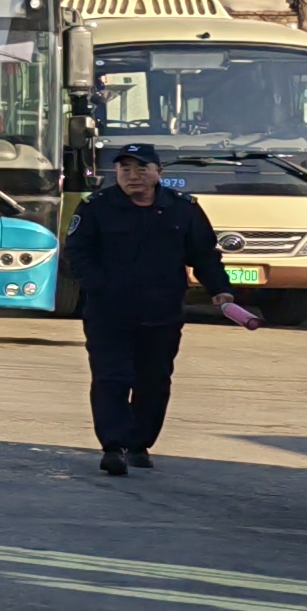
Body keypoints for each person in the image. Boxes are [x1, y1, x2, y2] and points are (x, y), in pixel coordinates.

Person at [59, 139, 251, 476]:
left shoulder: (182, 208)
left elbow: (204, 255)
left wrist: (220, 290)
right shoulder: (96, 207)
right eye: (125, 169)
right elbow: (77, 253)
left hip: (162, 312)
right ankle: (113, 446)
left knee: (154, 381)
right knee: (111, 378)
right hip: (109, 313)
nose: (132, 175)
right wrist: (99, 286)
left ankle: (139, 444)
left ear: (158, 172)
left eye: (141, 168)